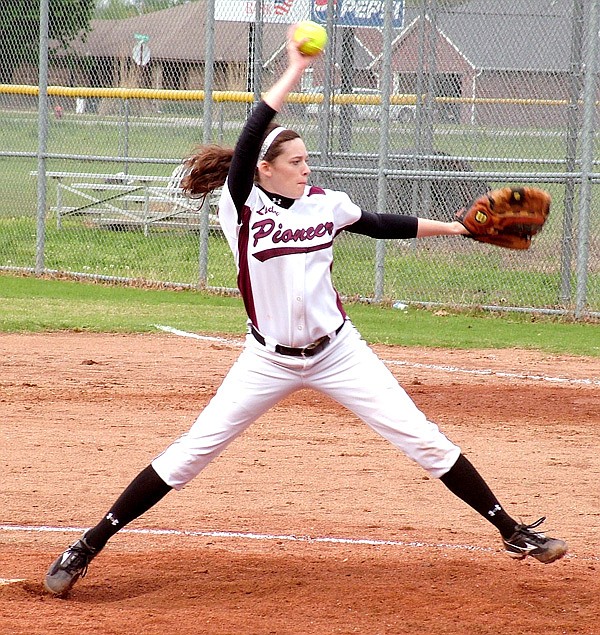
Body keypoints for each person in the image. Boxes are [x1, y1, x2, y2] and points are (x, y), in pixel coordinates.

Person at [44, 31, 567, 596]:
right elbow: (248, 140)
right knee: (191, 453)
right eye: (294, 161)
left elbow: (380, 223)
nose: (304, 168)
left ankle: (512, 531)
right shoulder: (241, 204)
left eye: (307, 160)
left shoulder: (325, 204)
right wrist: (293, 70)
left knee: (424, 439)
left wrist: (461, 229)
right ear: (265, 170)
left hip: (337, 351)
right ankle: (88, 544)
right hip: (265, 359)